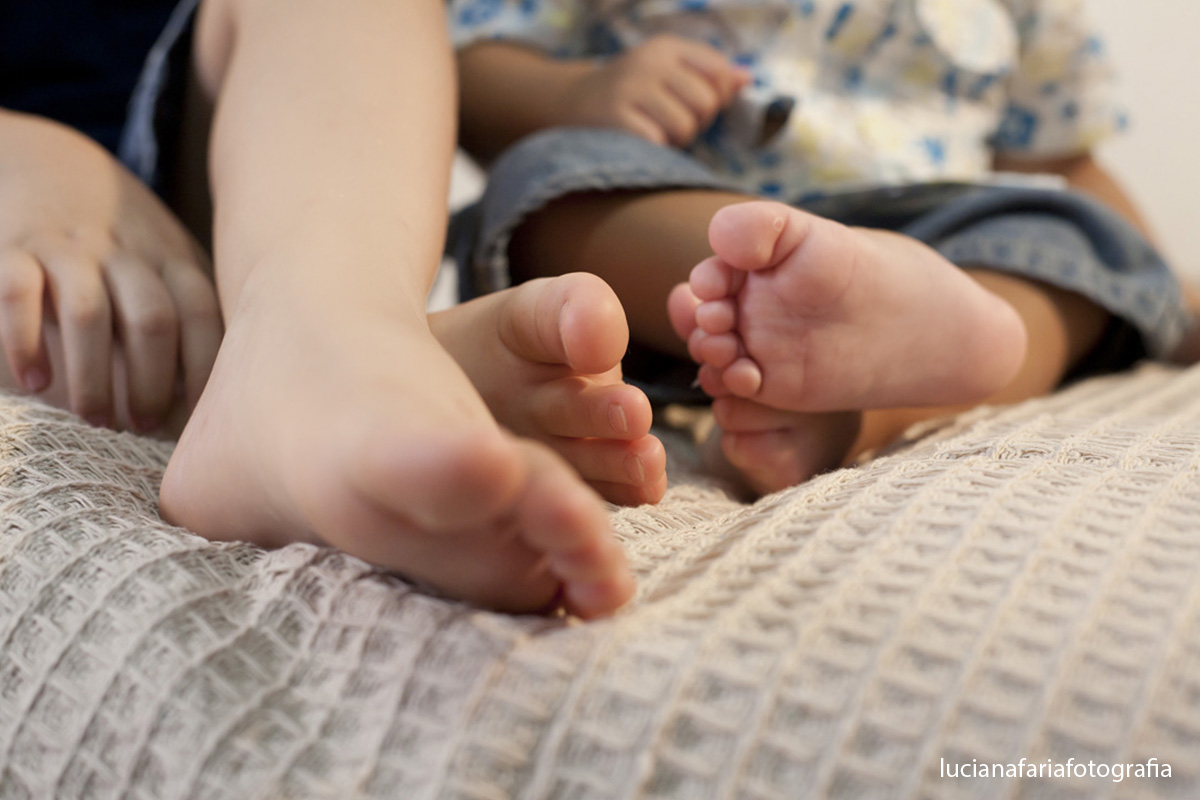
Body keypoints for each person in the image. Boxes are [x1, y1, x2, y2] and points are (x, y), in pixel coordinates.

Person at [0, 0, 667, 618]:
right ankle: (329, 375)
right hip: (36, 234)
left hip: (259, 190)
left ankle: (328, 334)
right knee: (49, 313)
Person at [449, 0, 1199, 496]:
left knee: (1068, 239)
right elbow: (470, 68)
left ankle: (856, 407)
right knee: (546, 177)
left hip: (942, 247)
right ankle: (781, 314)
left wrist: (1165, 293)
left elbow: (1064, 164)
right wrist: (578, 95)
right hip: (685, 222)